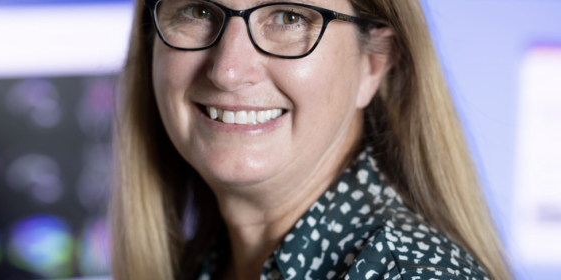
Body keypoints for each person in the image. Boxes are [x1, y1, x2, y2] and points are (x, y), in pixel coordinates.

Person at [110, 0, 513, 279]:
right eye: (198, 10)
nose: (228, 71)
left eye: (288, 17)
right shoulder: (206, 263)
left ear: (373, 66)